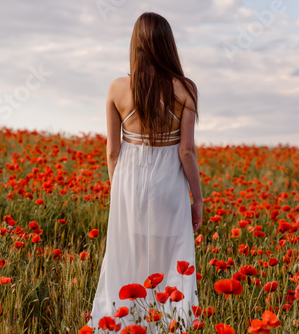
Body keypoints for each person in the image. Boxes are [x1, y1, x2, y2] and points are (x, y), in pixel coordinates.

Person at [86, 12, 203, 332]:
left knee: (128, 255)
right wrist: (198, 199)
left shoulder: (117, 88)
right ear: (167, 45)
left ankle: (125, 324)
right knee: (169, 254)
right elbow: (187, 151)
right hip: (169, 183)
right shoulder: (185, 88)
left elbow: (112, 150)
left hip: (128, 181)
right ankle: (167, 324)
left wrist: (118, 190)